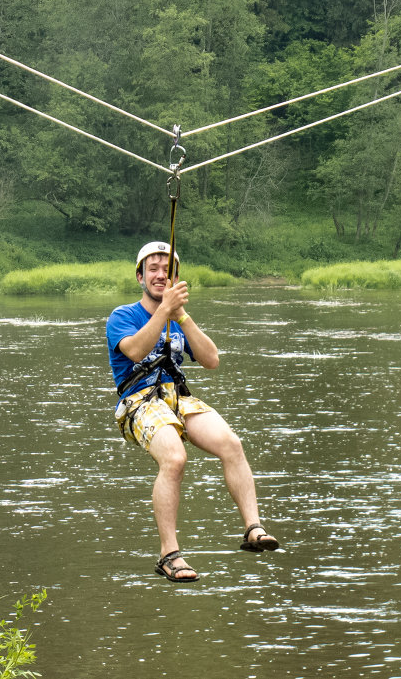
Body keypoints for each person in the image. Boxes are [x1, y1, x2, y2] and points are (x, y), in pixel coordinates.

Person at [106, 241, 280, 583]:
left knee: (231, 443)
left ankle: (253, 528)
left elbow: (212, 359)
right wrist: (163, 312)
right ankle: (169, 555)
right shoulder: (122, 316)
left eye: (166, 271)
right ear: (140, 277)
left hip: (178, 397)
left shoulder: (177, 317)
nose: (160, 275)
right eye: (152, 269)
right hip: (139, 399)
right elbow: (136, 350)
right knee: (175, 458)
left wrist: (181, 315)